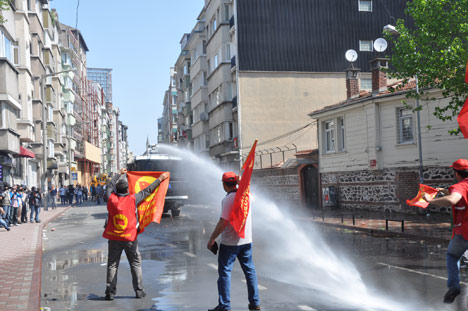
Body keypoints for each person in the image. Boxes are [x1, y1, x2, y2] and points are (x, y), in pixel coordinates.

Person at [103, 168, 169, 301]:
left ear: (117, 190)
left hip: (114, 237)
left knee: (112, 265)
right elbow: (148, 190)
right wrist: (160, 179)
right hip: (130, 238)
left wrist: (119, 174)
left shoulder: (110, 198)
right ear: (128, 189)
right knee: (135, 264)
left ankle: (110, 292)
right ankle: (139, 291)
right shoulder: (133, 199)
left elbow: (109, 185)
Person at [207, 172, 260, 311]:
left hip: (230, 243)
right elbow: (249, 193)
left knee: (224, 273)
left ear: (224, 184)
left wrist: (212, 239)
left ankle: (224, 306)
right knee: (250, 272)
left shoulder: (228, 199)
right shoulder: (247, 196)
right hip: (246, 241)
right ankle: (255, 304)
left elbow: (223, 222)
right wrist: (242, 183)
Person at [423, 159, 468, 304]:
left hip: (464, 232)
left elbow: (454, 199)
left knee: (452, 255)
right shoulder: (460, 186)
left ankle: (454, 286)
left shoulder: (459, 186)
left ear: (456, 173)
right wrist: (445, 190)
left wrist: (430, 201)